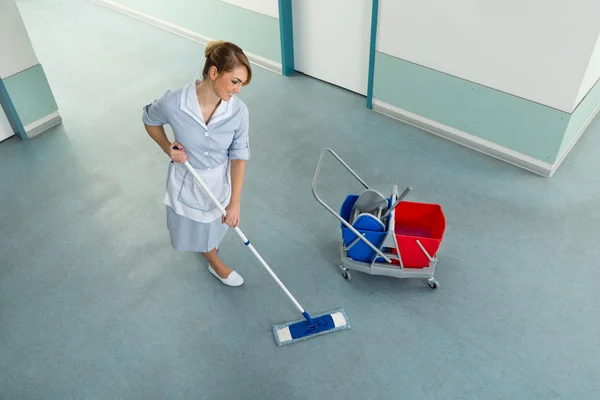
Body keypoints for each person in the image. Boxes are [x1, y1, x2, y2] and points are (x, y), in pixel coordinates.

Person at [142, 40, 252, 287]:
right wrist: (166, 146)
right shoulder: (174, 102)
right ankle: (214, 261)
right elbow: (149, 119)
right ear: (214, 72)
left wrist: (235, 203)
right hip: (188, 179)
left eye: (242, 84)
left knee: (215, 223)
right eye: (235, 81)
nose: (238, 90)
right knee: (196, 226)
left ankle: (210, 250)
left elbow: (239, 155)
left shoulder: (238, 112)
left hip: (218, 180)